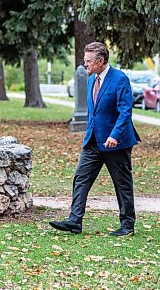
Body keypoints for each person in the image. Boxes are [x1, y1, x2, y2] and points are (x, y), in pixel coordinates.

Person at [49, 41, 140, 236]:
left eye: (88, 61)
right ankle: (74, 220)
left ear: (101, 61)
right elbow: (94, 112)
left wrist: (115, 135)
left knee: (122, 183)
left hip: (116, 143)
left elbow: (125, 112)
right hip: (93, 142)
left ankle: (127, 225)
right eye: (85, 60)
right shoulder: (91, 79)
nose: (85, 65)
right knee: (81, 178)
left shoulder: (120, 79)